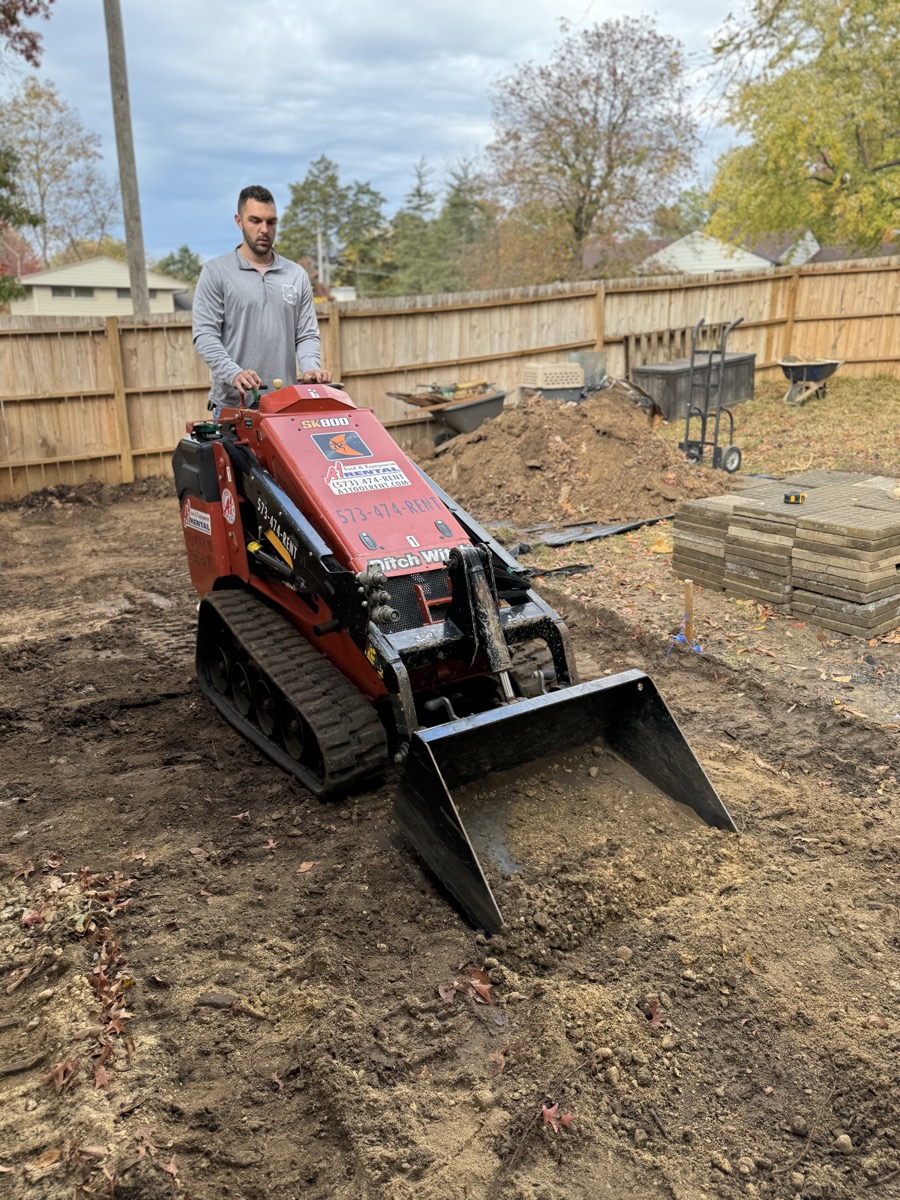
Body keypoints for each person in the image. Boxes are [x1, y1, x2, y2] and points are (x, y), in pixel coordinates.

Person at [192, 184, 332, 416]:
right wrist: (234, 372)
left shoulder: (296, 275)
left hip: (285, 405)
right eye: (255, 221)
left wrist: (310, 369)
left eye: (271, 222)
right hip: (234, 409)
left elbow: (306, 334)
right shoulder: (216, 272)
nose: (264, 229)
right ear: (239, 221)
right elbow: (205, 336)